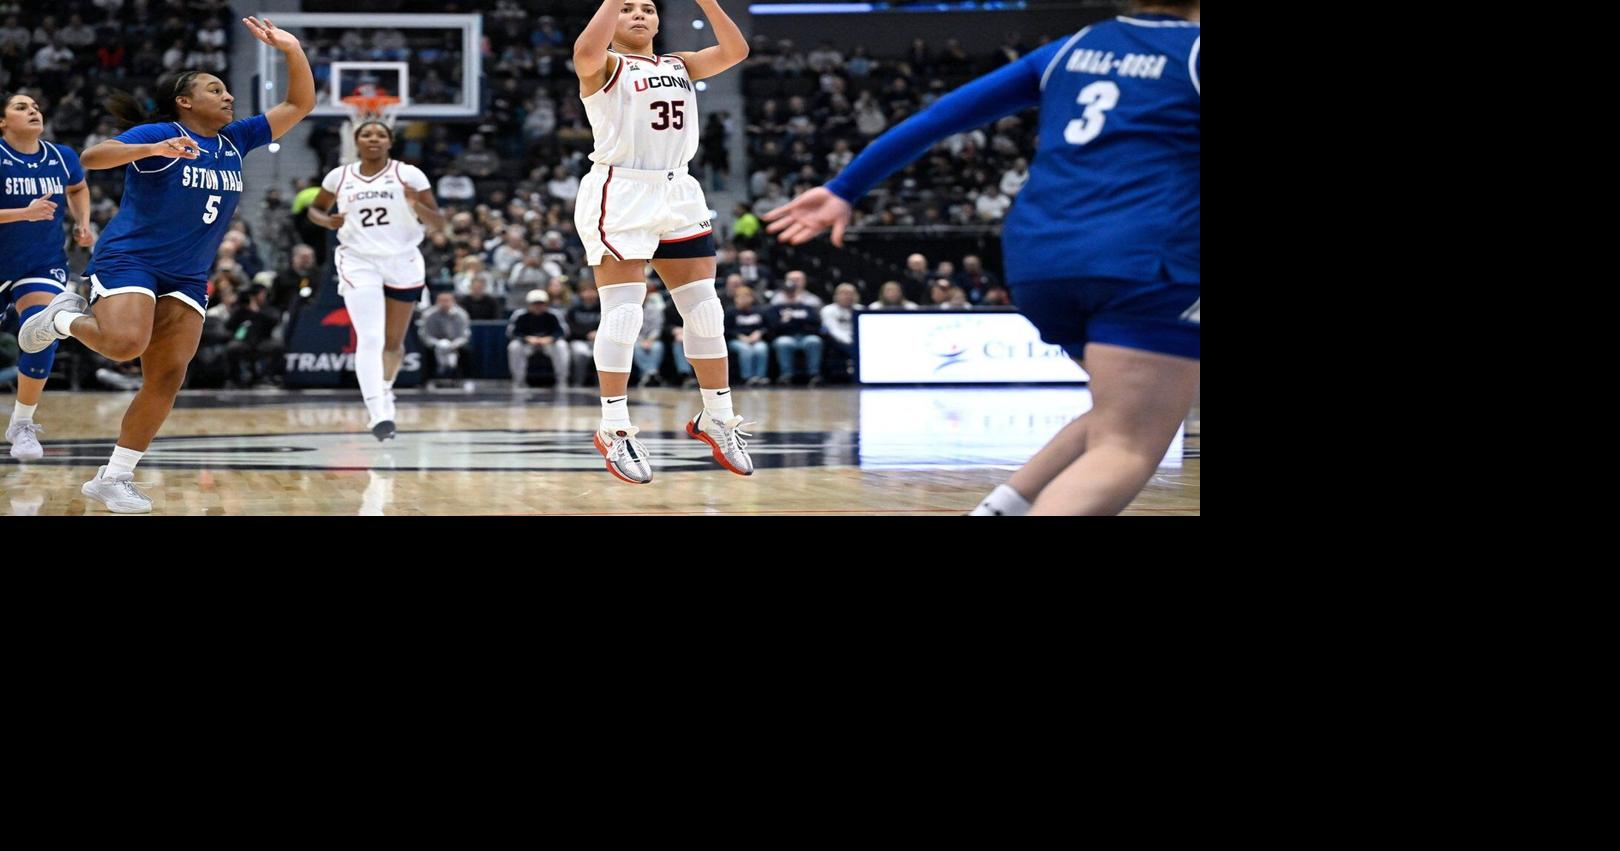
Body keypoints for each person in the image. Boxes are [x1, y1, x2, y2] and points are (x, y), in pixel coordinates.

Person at [765, 2, 1201, 515]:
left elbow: (941, 116)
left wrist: (846, 187)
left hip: (1040, 260)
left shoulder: (1070, 49)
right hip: (1142, 257)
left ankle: (1000, 507)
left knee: (1128, 410)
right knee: (1126, 445)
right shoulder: (1191, 51)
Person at [19, 17, 315, 513]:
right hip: (131, 256)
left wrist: (292, 49)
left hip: (187, 272)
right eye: (214, 89)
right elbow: (92, 157)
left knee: (167, 375)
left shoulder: (236, 140)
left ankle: (114, 477)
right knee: (124, 344)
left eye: (227, 91)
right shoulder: (163, 133)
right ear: (184, 100)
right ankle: (61, 318)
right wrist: (152, 148)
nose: (227, 97)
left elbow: (298, 104)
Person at [572, 0, 755, 483]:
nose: (638, 15)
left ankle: (716, 416)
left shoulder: (679, 64)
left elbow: (736, 50)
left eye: (647, 9)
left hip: (678, 189)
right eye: (627, 9)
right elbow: (584, 49)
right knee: (626, 313)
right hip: (621, 189)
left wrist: (708, 3)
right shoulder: (605, 65)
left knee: (705, 309)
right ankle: (614, 428)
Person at [306, 119, 445, 439]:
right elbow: (315, 210)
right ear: (356, 141)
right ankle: (379, 412)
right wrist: (328, 221)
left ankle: (385, 387)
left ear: (390, 141)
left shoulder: (408, 174)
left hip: (402, 260)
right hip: (358, 260)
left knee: (394, 342)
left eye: (380, 134)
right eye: (366, 134)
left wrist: (414, 204)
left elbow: (438, 223)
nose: (373, 139)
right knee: (370, 337)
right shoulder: (339, 177)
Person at [0, 90, 94, 461]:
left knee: (43, 330)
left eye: (36, 106)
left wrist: (83, 223)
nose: (33, 110)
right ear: (3, 122)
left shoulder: (61, 156)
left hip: (39, 263)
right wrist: (22, 213)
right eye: (21, 107)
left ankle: (22, 424)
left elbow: (78, 187)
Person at [506, 288, 568, 389]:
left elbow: (562, 331)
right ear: (529, 304)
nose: (538, 306)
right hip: (527, 344)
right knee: (514, 347)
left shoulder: (554, 314)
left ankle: (561, 380)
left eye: (541, 303)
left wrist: (550, 338)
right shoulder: (520, 315)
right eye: (535, 303)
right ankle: (518, 380)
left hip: (549, 343)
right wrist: (527, 338)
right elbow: (512, 332)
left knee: (561, 346)